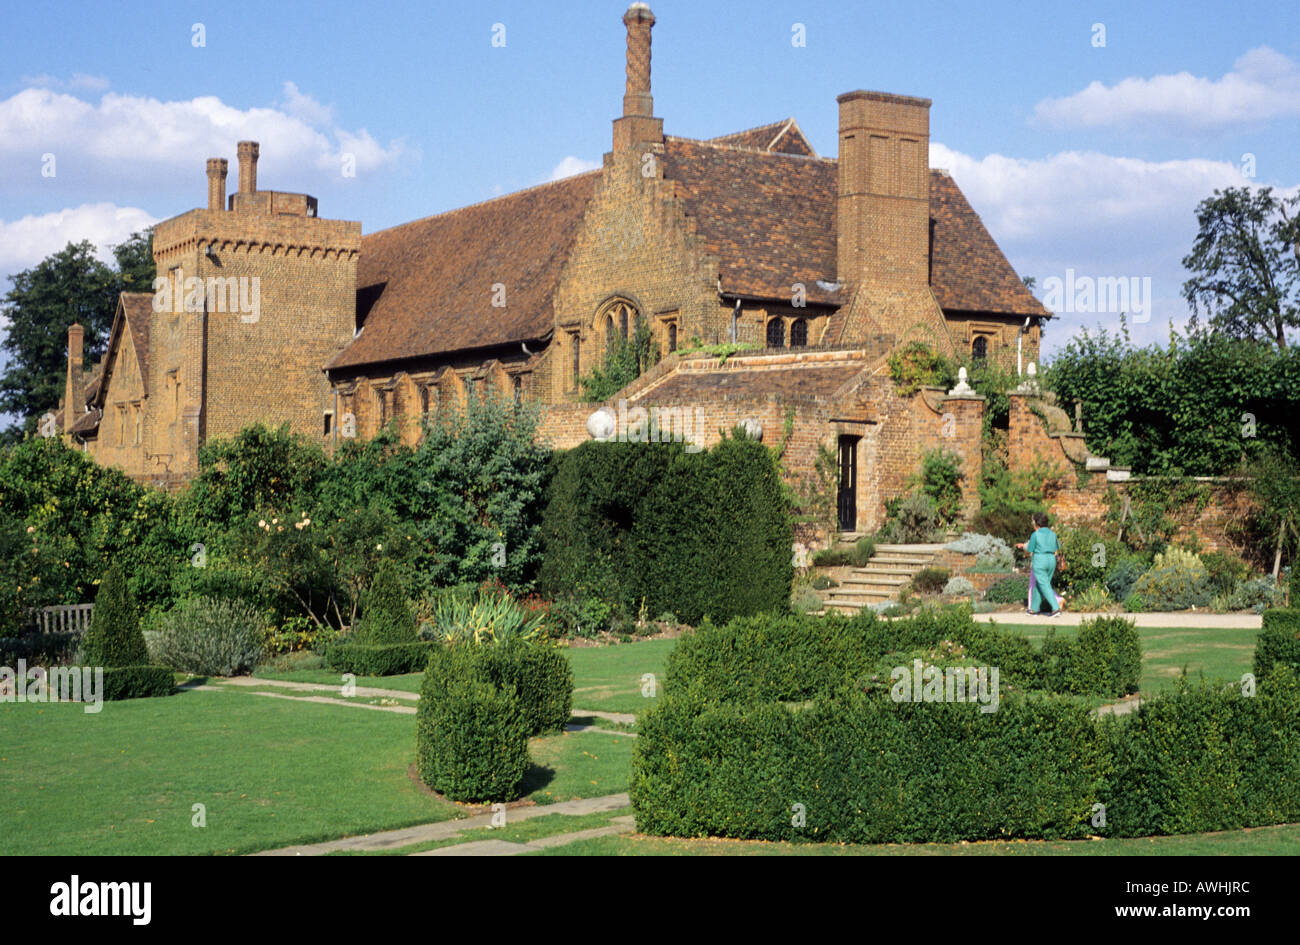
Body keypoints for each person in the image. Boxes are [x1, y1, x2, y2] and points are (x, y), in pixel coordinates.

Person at [1016, 512, 1061, 616]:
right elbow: (1057, 547)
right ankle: (1034, 609)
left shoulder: (1035, 534)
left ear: (1036, 522)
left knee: (1044, 584)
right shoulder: (1052, 534)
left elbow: (1030, 548)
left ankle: (1055, 608)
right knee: (1040, 584)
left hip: (1040, 560)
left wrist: (1022, 547)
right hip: (1051, 560)